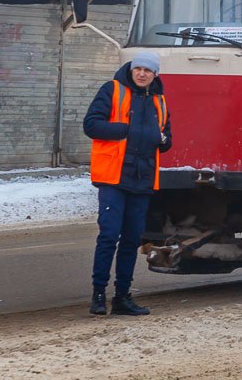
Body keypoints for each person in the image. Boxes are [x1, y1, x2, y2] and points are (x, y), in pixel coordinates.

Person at [83, 51, 172, 316]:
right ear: (131, 70)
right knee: (109, 236)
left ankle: (122, 297)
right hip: (113, 177)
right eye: (138, 69)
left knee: (132, 240)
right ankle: (98, 295)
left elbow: (167, 137)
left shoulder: (160, 100)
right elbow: (91, 125)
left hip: (142, 179)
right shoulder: (112, 90)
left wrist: (164, 140)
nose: (142, 74)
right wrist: (126, 129)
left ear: (155, 74)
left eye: (148, 70)